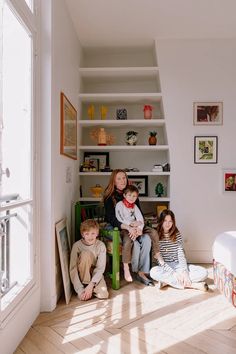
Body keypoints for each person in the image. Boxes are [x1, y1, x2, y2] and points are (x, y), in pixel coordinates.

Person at [103, 169, 159, 286]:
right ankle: (128, 267)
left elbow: (139, 214)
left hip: (135, 225)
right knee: (131, 240)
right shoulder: (110, 196)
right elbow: (113, 219)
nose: (122, 180)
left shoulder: (132, 193)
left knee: (147, 239)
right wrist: (129, 228)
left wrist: (139, 228)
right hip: (119, 226)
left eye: (124, 178)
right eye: (119, 178)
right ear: (114, 180)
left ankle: (142, 271)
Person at [150, 209, 209, 291]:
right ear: (161, 221)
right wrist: (174, 274)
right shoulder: (155, 235)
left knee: (204, 272)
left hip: (179, 265)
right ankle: (193, 285)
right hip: (165, 267)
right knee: (153, 272)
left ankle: (167, 282)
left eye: (170, 221)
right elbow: (161, 262)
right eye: (165, 221)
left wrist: (184, 272)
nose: (167, 224)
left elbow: (181, 254)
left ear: (173, 222)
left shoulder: (176, 234)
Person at [70, 219, 109, 301]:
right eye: (87, 234)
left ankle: (88, 290)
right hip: (82, 275)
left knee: (104, 295)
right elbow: (72, 269)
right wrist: (79, 290)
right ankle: (84, 288)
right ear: (82, 234)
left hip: (94, 274)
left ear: (97, 233)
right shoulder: (76, 246)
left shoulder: (101, 245)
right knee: (86, 254)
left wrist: (91, 285)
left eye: (93, 233)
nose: (90, 237)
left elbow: (100, 268)